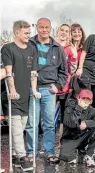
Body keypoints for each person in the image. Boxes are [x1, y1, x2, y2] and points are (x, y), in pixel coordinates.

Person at [26, 17, 68, 163]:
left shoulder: (58, 47)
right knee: (32, 122)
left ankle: (49, 152)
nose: (44, 30)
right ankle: (32, 152)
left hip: (49, 90)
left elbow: (64, 72)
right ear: (36, 28)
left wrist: (57, 86)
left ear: (50, 29)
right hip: (32, 88)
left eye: (46, 27)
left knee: (49, 123)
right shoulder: (29, 44)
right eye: (41, 27)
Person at [1, 20, 39, 171]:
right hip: (12, 96)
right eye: (25, 33)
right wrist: (12, 90)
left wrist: (34, 90)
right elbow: (9, 72)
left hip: (25, 96)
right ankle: (23, 157)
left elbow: (34, 72)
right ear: (16, 32)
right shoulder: (8, 48)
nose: (28, 35)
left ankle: (16, 156)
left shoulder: (31, 48)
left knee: (21, 127)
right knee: (16, 128)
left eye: (29, 32)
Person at [59, 89, 95, 167]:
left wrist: (87, 123)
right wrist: (79, 109)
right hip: (70, 139)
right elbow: (70, 124)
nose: (85, 101)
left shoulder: (91, 110)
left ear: (91, 101)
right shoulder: (69, 108)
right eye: (83, 98)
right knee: (63, 156)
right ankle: (80, 154)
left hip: (83, 138)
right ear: (78, 98)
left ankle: (89, 156)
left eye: (88, 99)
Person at [55, 24, 79, 149]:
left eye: (66, 31)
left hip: (65, 87)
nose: (64, 33)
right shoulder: (51, 45)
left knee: (64, 116)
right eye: (62, 30)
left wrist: (74, 55)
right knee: (48, 116)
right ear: (57, 32)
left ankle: (60, 141)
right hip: (51, 86)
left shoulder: (70, 49)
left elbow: (73, 69)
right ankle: (47, 144)